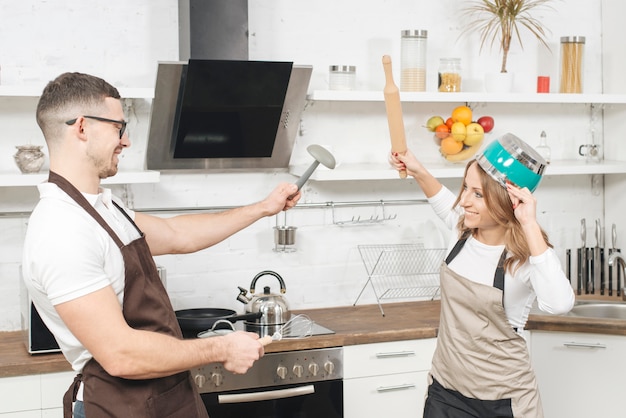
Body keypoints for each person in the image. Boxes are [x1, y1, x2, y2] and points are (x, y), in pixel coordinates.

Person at [21, 72, 302, 418]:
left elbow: (177, 234)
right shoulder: (62, 229)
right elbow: (120, 354)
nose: (126, 142)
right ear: (82, 128)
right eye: (118, 128)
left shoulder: (103, 208)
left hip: (160, 397)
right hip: (118, 405)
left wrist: (263, 208)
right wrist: (222, 348)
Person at [390, 134, 575, 418]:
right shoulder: (461, 231)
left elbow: (559, 304)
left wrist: (528, 222)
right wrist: (416, 168)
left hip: (503, 401)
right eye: (465, 188)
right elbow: (440, 198)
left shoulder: (525, 257)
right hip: (446, 391)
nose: (463, 201)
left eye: (477, 194)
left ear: (505, 199)